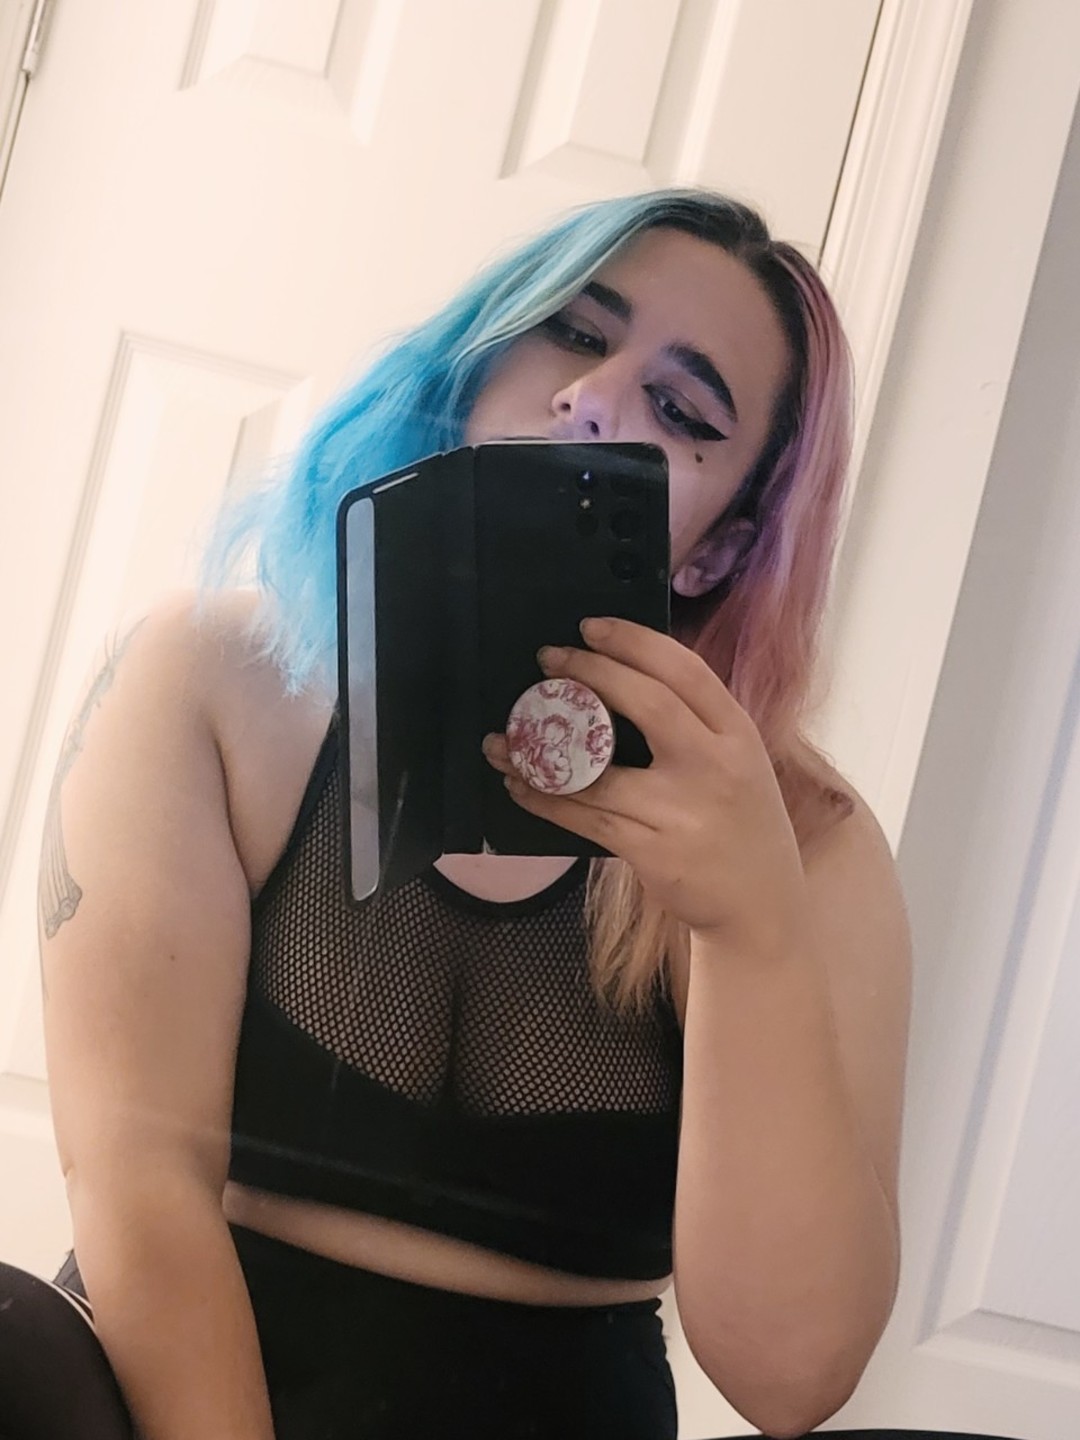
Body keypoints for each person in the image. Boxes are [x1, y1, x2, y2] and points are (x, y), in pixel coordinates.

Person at [0, 188, 912, 1440]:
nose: (592, 399)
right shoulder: (208, 679)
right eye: (575, 332)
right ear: (478, 360)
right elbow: (136, 1182)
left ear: (717, 546)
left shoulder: (809, 843)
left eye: (681, 411)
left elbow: (790, 1380)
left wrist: (752, 927)